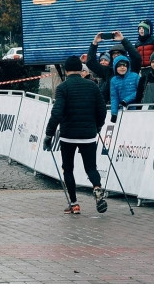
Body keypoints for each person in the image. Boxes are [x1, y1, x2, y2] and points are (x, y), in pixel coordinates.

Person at [43, 56, 107, 214]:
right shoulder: (92, 86)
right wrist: (98, 126)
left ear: (66, 70)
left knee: (68, 169)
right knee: (91, 167)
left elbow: (57, 113)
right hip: (88, 134)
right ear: (81, 69)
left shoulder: (63, 87)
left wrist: (49, 134)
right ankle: (97, 187)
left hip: (68, 135)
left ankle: (74, 204)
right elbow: (102, 110)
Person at [109, 55, 139, 122]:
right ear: (115, 67)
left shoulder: (135, 76)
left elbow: (140, 91)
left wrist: (126, 100)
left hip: (136, 109)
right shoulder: (113, 80)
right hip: (122, 111)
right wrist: (114, 113)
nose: (122, 67)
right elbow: (114, 97)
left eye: (124, 65)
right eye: (119, 66)